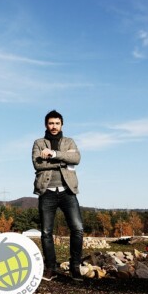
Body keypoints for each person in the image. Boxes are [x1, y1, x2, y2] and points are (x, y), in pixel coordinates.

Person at [32, 110, 84, 282]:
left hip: (68, 192)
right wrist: (64, 161)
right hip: (47, 192)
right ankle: (51, 268)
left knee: (77, 229)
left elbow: (76, 158)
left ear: (62, 124)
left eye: (57, 123)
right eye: (51, 123)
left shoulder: (69, 141)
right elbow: (38, 164)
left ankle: (75, 267)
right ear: (46, 125)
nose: (54, 126)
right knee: (46, 232)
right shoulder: (39, 143)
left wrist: (54, 155)